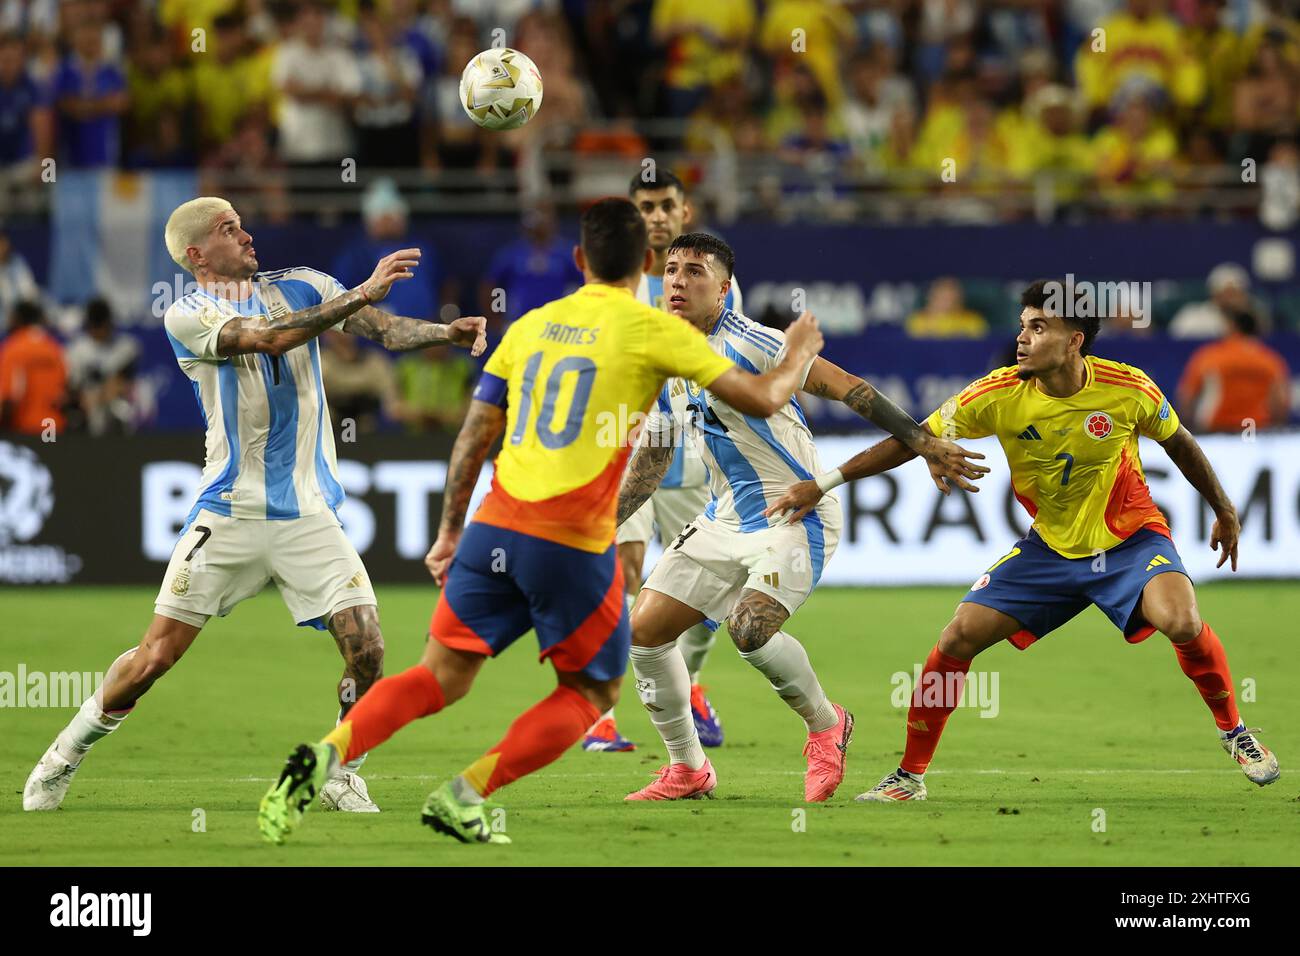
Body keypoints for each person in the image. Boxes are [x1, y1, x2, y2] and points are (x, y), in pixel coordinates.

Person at [256, 197, 824, 846]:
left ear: (578, 259)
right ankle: (464, 795)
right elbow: (760, 396)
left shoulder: (530, 325)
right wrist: (795, 351)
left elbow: (473, 437)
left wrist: (448, 533)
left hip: (493, 528)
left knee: (436, 676)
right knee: (591, 692)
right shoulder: (652, 330)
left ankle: (327, 754)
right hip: (572, 540)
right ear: (645, 263)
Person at [22, 196, 486, 814]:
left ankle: (340, 770)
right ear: (196, 254)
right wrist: (363, 291)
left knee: (369, 648)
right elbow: (269, 340)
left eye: (242, 222)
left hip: (308, 514)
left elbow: (380, 329)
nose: (246, 234)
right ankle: (62, 758)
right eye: (228, 229)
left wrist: (443, 334)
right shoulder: (187, 315)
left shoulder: (305, 285)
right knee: (153, 659)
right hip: (230, 514)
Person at [766, 279, 1280, 802]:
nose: (1023, 337)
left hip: (1131, 542)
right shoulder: (997, 394)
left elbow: (1181, 444)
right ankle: (909, 776)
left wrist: (1224, 509)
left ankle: (1235, 731)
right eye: (1022, 326)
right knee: (955, 638)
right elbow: (913, 437)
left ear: (1075, 339)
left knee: (1182, 620)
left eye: (1038, 327)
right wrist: (824, 483)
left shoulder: (1129, 388)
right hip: (1048, 550)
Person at [616, 233, 986, 802]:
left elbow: (850, 389)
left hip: (796, 510)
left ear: (723, 288)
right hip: (725, 517)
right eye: (670, 270)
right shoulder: (666, 356)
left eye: (695, 271)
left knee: (750, 629)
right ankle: (688, 768)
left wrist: (922, 441)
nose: (678, 281)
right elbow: (658, 448)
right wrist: (605, 516)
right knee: (642, 632)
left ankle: (826, 725)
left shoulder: (758, 343)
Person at [583, 167, 743, 753]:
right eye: (643, 206)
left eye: (664, 205)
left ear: (685, 210)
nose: (654, 215)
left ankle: (691, 683)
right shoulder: (617, 279)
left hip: (695, 464)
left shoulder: (714, 280)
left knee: (711, 592)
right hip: (626, 452)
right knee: (622, 576)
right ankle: (599, 712)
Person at [1177, 309, 1290, 432]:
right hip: (1256, 431)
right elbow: (1280, 404)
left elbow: (1186, 399)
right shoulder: (1270, 361)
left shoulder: (1210, 357)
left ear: (1232, 327)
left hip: (1216, 431)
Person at [0, 298, 65, 435]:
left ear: (17, 319)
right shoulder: (53, 347)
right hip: (53, 428)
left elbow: (9, 398)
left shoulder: (13, 348)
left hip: (24, 429)